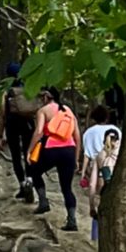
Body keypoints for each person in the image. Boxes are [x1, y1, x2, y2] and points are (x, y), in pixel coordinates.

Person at [28, 88, 81, 231]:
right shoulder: (68, 111)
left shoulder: (43, 111)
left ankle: (43, 202)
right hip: (69, 150)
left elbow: (39, 132)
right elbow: (77, 136)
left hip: (51, 148)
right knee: (67, 187)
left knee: (34, 171)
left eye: (42, 96)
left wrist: (29, 150)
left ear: (46, 97)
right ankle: (72, 220)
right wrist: (76, 158)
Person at [0, 63, 39, 200]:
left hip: (12, 125)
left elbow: (2, 115)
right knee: (28, 154)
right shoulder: (28, 90)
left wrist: (0, 135)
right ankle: (30, 180)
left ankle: (22, 185)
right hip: (28, 124)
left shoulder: (7, 92)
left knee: (16, 156)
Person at [88, 123, 120, 242]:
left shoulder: (99, 156)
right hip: (118, 191)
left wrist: (92, 206)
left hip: (103, 190)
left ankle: (95, 238)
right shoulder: (122, 156)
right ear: (118, 141)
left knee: (99, 215)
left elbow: (92, 184)